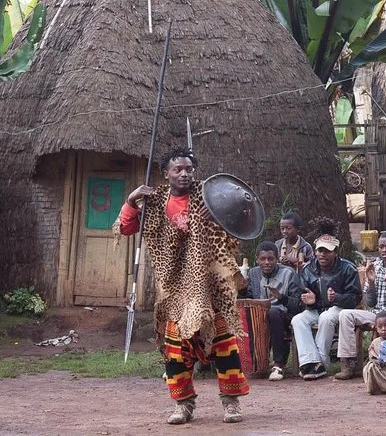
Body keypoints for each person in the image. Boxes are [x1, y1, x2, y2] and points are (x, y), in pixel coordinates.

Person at [115, 147, 249, 424]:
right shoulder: (154, 202)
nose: (185, 174)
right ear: (166, 174)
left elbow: (240, 215)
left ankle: (231, 403)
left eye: (189, 169)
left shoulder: (209, 195)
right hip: (175, 288)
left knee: (224, 345)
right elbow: (125, 227)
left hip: (211, 284)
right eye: (178, 169)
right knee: (176, 351)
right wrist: (131, 200)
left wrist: (221, 215)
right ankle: (183, 405)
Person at [334, 231, 386, 380]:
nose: (384, 250)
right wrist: (371, 283)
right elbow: (370, 303)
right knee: (345, 314)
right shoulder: (374, 266)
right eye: (381, 247)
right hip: (378, 314)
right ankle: (348, 364)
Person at [291, 223, 362, 380]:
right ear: (315, 251)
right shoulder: (308, 269)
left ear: (335, 252)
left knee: (327, 317)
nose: (322, 254)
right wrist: (310, 302)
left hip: (340, 309)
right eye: (320, 250)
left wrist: (337, 298)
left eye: (327, 251)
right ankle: (311, 362)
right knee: (298, 319)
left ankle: (320, 363)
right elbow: (300, 298)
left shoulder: (348, 268)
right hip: (317, 309)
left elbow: (355, 298)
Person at [240, 241, 302, 381]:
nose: (267, 262)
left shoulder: (289, 273)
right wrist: (242, 290)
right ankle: (252, 364)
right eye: (262, 259)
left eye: (270, 259)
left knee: (273, 312)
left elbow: (297, 305)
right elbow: (249, 299)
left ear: (277, 259)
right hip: (260, 317)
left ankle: (278, 364)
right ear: (257, 260)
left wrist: (281, 297)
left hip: (285, 316)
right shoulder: (253, 273)